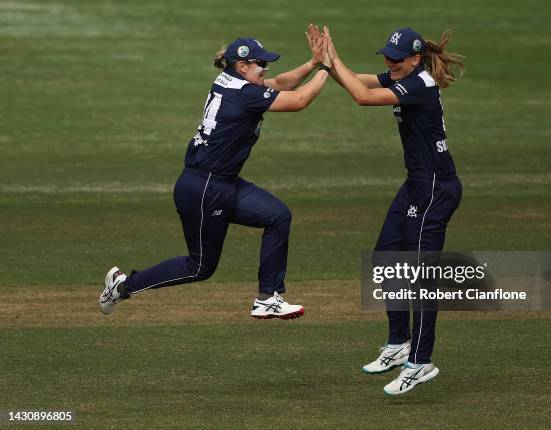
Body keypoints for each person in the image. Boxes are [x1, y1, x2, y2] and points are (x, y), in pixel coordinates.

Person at [99, 25, 333, 320]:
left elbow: (280, 83)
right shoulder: (245, 93)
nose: (265, 69)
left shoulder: (231, 81)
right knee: (199, 267)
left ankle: (268, 298)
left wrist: (313, 63)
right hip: (205, 188)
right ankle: (122, 287)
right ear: (242, 65)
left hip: (219, 182)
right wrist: (327, 67)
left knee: (278, 215)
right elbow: (298, 100)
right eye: (261, 64)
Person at [324, 26, 464, 395]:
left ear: (415, 59)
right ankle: (399, 342)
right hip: (416, 183)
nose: (389, 63)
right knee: (386, 256)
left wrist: (331, 60)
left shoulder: (419, 84)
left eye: (396, 58)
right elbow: (360, 81)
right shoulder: (407, 74)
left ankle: (421, 362)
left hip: (436, 187)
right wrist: (326, 64)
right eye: (386, 57)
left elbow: (362, 97)